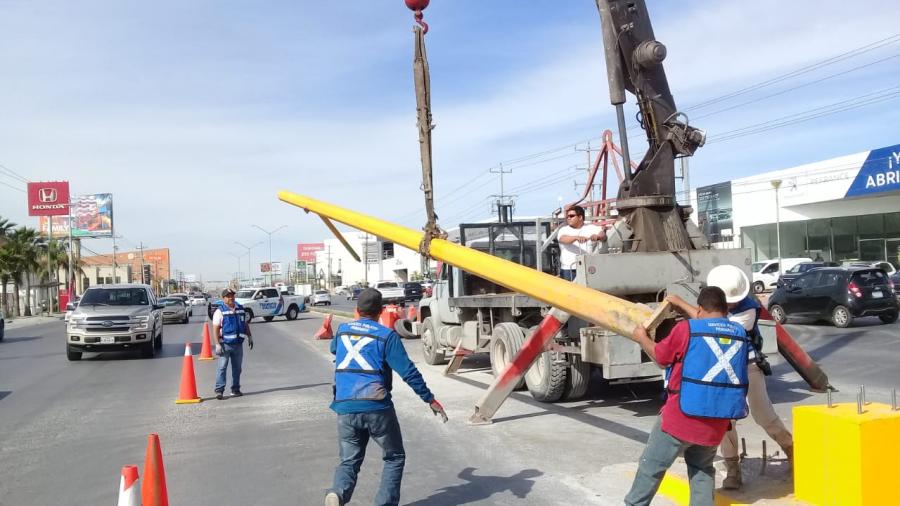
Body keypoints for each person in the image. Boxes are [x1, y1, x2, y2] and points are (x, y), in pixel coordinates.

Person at [666, 265, 793, 490]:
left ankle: (792, 450)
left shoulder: (749, 310)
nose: (732, 303)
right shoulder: (723, 306)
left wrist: (680, 303)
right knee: (725, 419)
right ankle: (733, 468)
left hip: (748, 368)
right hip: (722, 370)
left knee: (763, 415)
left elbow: (718, 326)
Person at [624, 287, 750, 506]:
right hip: (717, 421)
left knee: (651, 468)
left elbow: (661, 358)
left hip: (680, 418)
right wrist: (681, 303)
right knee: (702, 470)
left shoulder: (686, 329)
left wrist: (641, 338)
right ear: (725, 307)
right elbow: (711, 324)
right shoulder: (739, 333)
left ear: (700, 308)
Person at [325, 288, 447, 506]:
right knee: (394, 457)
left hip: (344, 407)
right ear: (381, 311)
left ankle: (337, 493)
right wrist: (429, 399)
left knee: (349, 460)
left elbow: (334, 348)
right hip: (376, 406)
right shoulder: (387, 336)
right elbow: (408, 371)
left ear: (356, 310)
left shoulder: (343, 331)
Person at [211, 287, 253, 400]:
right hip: (225, 344)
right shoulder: (220, 311)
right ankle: (219, 391)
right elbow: (215, 328)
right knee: (222, 368)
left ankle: (235, 389)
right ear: (223, 298)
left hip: (238, 344)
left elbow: (245, 324)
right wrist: (217, 344)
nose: (231, 298)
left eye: (232, 296)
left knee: (237, 368)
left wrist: (250, 336)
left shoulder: (240, 308)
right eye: (228, 296)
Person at [557, 205, 606, 281]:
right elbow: (562, 239)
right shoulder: (563, 230)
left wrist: (598, 236)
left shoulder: (591, 228)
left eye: (571, 216)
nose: (568, 218)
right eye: (567, 216)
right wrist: (576, 238)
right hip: (569, 270)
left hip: (588, 268)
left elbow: (602, 234)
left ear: (580, 217)